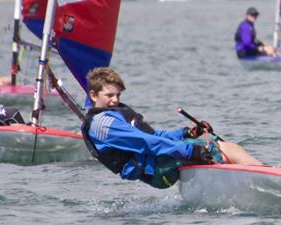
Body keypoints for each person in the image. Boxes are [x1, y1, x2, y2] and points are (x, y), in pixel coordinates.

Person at [81, 67, 263, 189]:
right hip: (156, 171)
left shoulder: (114, 113)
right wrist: (190, 150)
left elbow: (153, 135)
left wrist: (187, 133)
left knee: (210, 141)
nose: (115, 100)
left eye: (118, 94)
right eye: (109, 95)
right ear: (93, 94)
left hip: (158, 160)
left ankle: (264, 173)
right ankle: (265, 179)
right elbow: (147, 142)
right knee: (213, 149)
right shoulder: (102, 124)